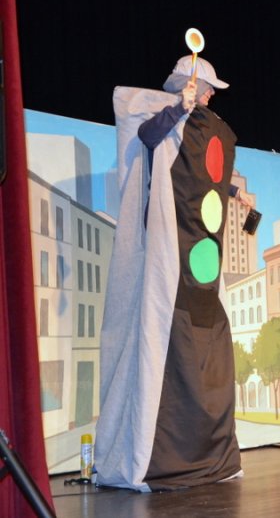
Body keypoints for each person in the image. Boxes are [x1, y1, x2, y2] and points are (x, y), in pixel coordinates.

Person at [95, 55, 251, 491]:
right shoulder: (166, 118)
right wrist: (179, 107)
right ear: (188, 84)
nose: (211, 95)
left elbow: (200, 175)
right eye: (207, 88)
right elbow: (147, 137)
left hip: (199, 266)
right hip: (169, 257)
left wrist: (233, 191)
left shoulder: (199, 129)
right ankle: (157, 457)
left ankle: (210, 455)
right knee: (165, 337)